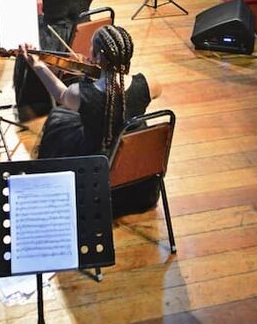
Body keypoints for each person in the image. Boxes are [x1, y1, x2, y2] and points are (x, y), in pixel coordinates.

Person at [25, 25, 162, 213]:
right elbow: (125, 90)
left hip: (96, 172)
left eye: (92, 49)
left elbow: (61, 95)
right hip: (135, 174)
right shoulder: (148, 85)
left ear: (98, 57)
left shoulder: (80, 94)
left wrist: (38, 65)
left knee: (58, 120)